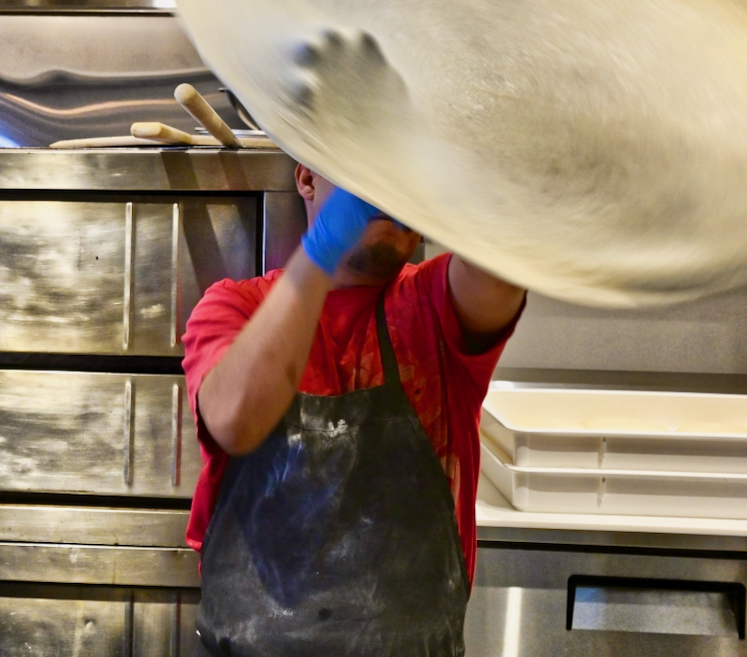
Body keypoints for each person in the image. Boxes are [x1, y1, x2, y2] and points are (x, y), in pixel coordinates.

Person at [183, 163, 527, 655]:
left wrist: (456, 190)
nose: (384, 190)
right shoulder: (236, 308)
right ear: (306, 179)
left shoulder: (434, 304)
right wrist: (321, 249)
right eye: (362, 168)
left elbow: (497, 282)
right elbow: (235, 420)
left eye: (397, 175)